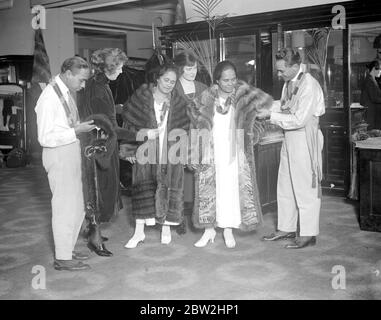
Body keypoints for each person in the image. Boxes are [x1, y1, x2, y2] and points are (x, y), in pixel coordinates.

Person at [189, 60, 273, 248]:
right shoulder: (203, 100)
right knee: (209, 192)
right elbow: (194, 129)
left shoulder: (245, 97)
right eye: (225, 80)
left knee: (231, 191)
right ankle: (208, 230)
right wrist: (195, 152)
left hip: (235, 153)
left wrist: (252, 136)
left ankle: (228, 230)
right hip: (211, 152)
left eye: (233, 79)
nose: (230, 83)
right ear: (217, 81)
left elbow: (261, 118)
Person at [258, 48, 325, 249]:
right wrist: (268, 107)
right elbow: (286, 104)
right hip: (289, 138)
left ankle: (308, 233)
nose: (279, 75)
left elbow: (299, 119)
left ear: (295, 66)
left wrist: (270, 116)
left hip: (305, 137)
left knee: (305, 187)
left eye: (282, 71)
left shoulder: (309, 85)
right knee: (285, 184)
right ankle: (286, 228)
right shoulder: (290, 81)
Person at [35, 56, 96, 271]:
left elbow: (64, 124)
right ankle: (62, 257)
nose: (83, 84)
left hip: (70, 150)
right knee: (63, 206)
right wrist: (76, 131)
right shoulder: (48, 97)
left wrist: (78, 128)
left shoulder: (64, 92)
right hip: (58, 154)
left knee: (76, 205)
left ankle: (67, 248)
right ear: (68, 74)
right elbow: (45, 137)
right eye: (81, 80)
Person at [121, 62, 188, 248]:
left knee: (169, 187)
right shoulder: (140, 98)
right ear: (157, 79)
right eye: (166, 80)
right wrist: (129, 150)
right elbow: (129, 125)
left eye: (173, 82)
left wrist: (183, 152)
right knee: (143, 188)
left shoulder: (179, 102)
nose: (169, 84)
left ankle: (166, 226)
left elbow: (186, 129)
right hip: (146, 150)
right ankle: (139, 231)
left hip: (170, 152)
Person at [78, 48, 136, 256]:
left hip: (90, 145)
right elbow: (111, 127)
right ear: (110, 67)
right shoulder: (101, 90)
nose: (121, 72)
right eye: (119, 68)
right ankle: (95, 239)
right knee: (100, 191)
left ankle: (92, 230)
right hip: (101, 148)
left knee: (95, 189)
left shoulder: (92, 84)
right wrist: (139, 135)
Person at [173, 51, 208, 227]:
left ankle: (197, 213)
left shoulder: (202, 87)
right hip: (177, 138)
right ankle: (177, 216)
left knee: (197, 178)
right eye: (188, 68)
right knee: (178, 179)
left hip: (199, 138)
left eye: (194, 68)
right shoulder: (172, 88)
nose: (192, 72)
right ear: (180, 69)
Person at [360, 60, 381, 130]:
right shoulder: (370, 81)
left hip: (372, 112)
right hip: (370, 113)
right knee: (371, 132)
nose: (380, 72)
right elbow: (374, 98)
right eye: (380, 69)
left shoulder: (372, 80)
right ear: (374, 69)